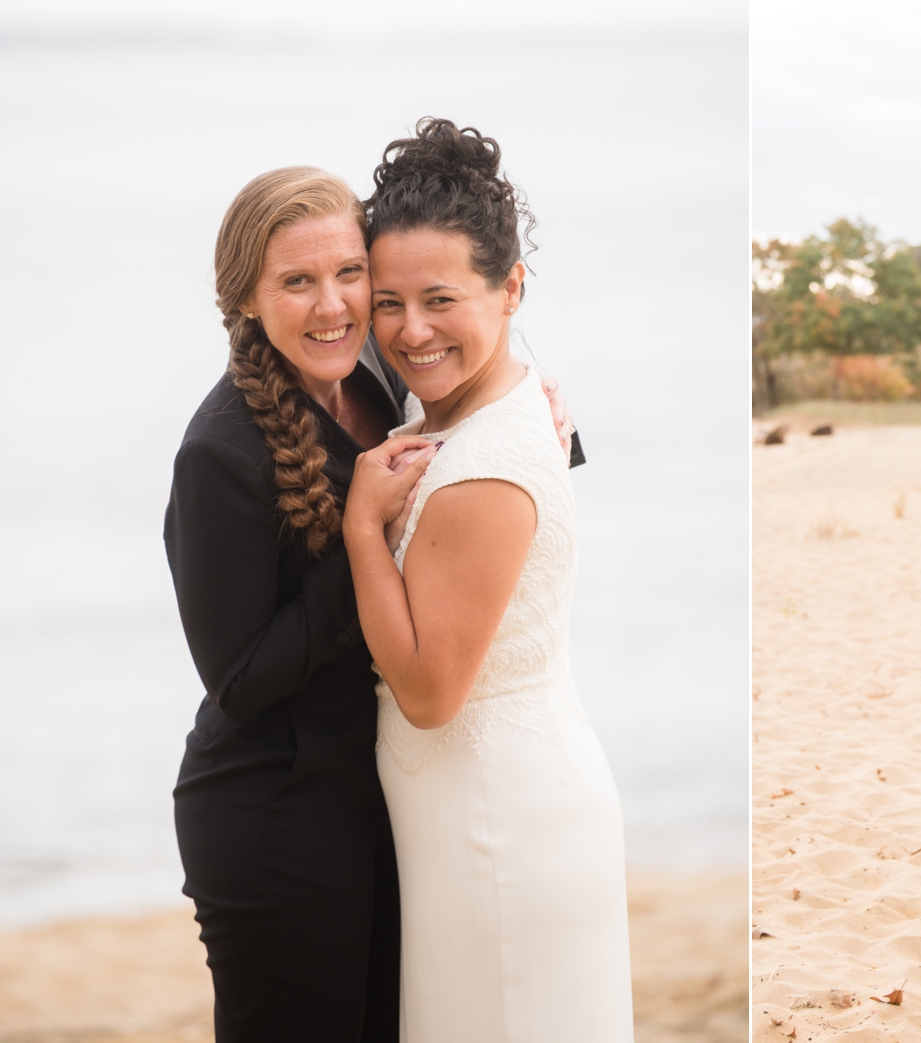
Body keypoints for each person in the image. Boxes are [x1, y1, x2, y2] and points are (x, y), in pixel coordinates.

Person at [165, 165, 573, 1041]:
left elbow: (467, 428)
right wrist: (362, 536)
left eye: (351, 275)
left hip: (371, 797)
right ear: (244, 299)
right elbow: (237, 678)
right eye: (297, 282)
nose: (334, 306)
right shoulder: (220, 454)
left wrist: (542, 422)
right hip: (273, 808)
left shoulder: (370, 377)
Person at [343, 119, 633, 1041]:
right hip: (479, 817)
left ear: (510, 288)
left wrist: (359, 527)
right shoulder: (487, 408)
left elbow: (430, 691)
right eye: (386, 303)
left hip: (499, 830)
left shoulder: (483, 469)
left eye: (440, 298)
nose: (410, 331)